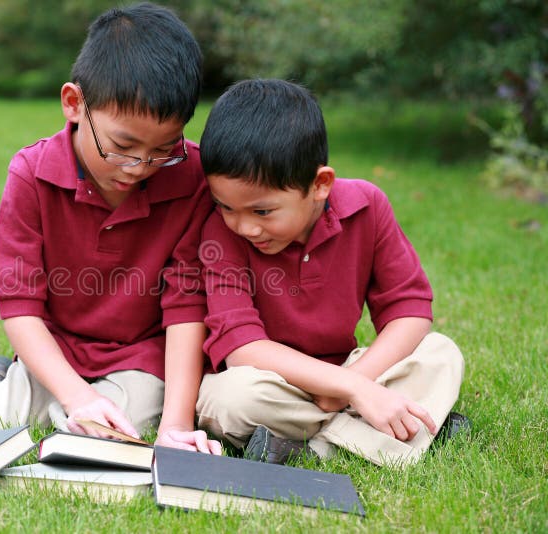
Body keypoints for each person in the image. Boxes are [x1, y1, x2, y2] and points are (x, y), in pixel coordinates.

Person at [0, 3, 220, 454]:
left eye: (164, 150)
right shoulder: (31, 172)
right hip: (55, 349)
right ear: (73, 104)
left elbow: (187, 304)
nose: (140, 168)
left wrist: (176, 425)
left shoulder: (193, 177)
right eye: (123, 146)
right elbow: (20, 305)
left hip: (141, 356)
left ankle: (49, 398)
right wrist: (77, 396)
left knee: (131, 422)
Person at [194, 79, 465, 467]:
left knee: (440, 354)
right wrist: (354, 389)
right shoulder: (219, 233)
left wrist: (352, 381)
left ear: (320, 184)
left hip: (345, 371)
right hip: (273, 381)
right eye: (226, 206)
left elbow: (410, 309)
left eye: (262, 212)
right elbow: (242, 348)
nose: (244, 227)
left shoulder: (366, 206)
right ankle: (387, 431)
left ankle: (310, 446)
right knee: (228, 400)